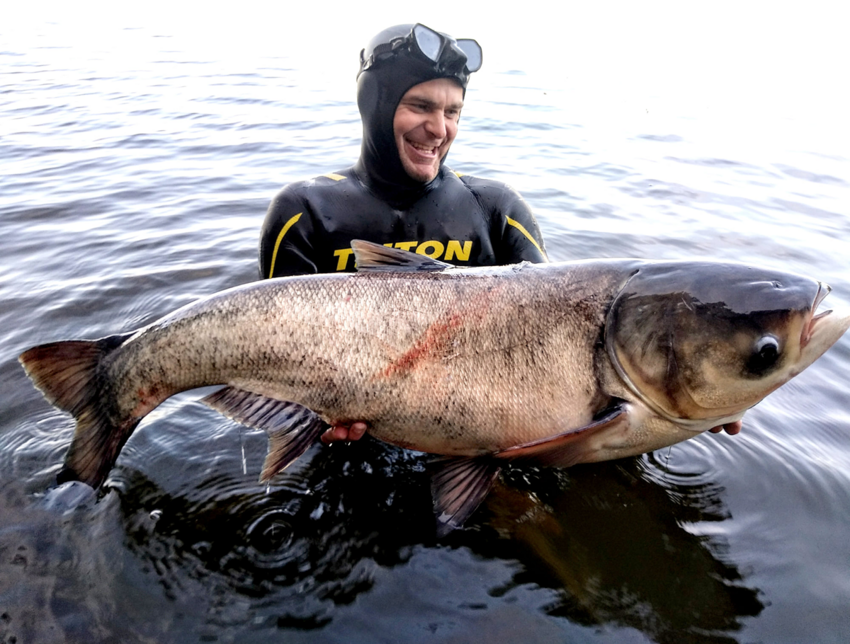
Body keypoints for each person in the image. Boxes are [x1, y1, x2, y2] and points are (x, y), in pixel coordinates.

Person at [258, 23, 742, 441]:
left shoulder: (498, 211)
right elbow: (270, 357)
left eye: (453, 112)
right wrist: (314, 417)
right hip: (347, 435)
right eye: (420, 106)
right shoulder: (305, 212)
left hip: (481, 432)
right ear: (376, 104)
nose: (438, 128)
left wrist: (688, 394)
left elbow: (565, 348)